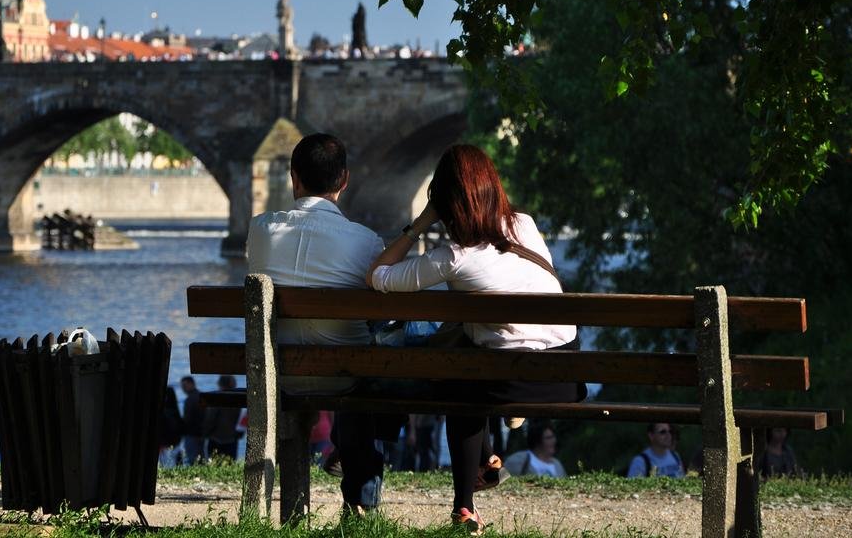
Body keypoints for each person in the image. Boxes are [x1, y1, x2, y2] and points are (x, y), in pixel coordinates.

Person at [367, 144, 584, 533]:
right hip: (565, 372)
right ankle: (484, 464)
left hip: (509, 380)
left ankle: (464, 505)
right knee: (470, 357)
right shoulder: (526, 224)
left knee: (459, 380)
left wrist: (417, 225)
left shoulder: (455, 257)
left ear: (445, 202)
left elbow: (378, 277)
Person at [247, 132, 389, 514]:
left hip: (276, 375)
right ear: (344, 181)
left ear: (294, 178)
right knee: (374, 348)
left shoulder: (260, 230)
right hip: (345, 376)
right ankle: (361, 498)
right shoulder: (367, 242)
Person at [203, 375, 242, 460]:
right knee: (230, 464)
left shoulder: (217, 398)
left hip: (216, 438)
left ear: (220, 384)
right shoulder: (237, 399)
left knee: (214, 464)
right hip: (232, 438)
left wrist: (206, 433)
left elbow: (210, 419)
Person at [179, 376, 205, 464]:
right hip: (201, 433)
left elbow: (187, 419)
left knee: (193, 459)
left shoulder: (190, 400)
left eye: (185, 386)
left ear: (192, 384)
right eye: (182, 386)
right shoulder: (201, 396)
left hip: (191, 434)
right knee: (200, 458)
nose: (183, 388)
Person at [159, 385, 185, 467]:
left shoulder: (166, 412)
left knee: (166, 466)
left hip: (166, 446)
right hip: (176, 444)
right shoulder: (175, 411)